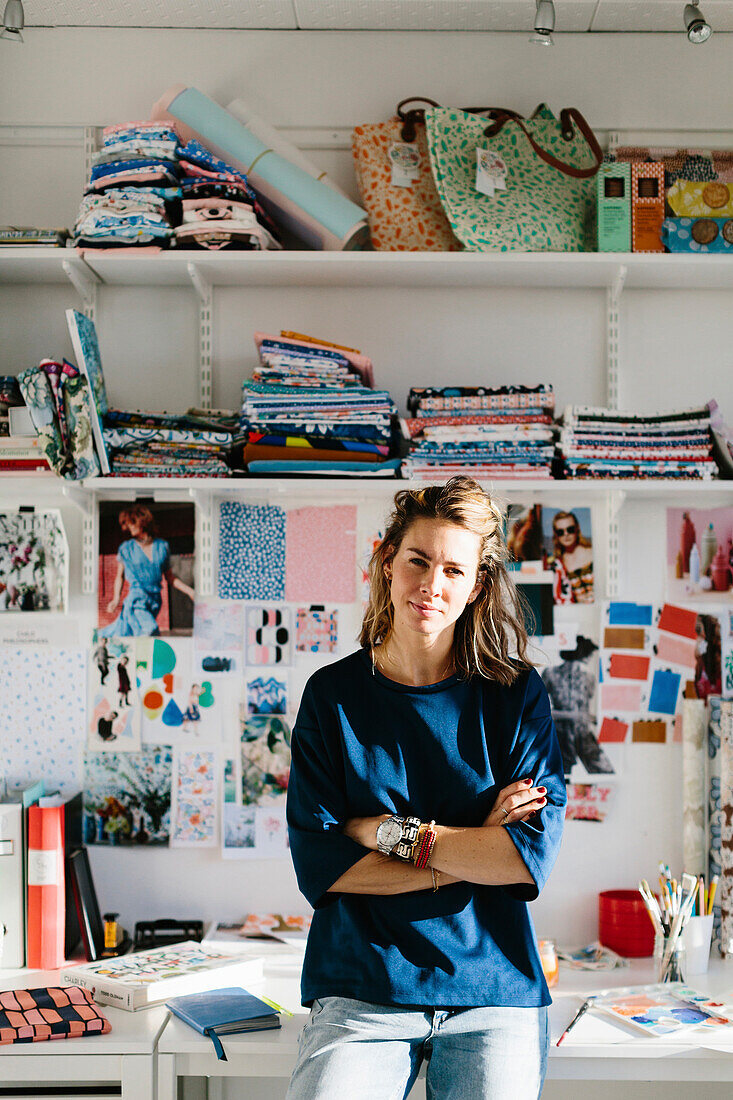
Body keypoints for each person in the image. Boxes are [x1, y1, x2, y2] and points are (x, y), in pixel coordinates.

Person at [286, 477, 566, 1100]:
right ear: (387, 559)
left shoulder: (516, 697)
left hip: (493, 989)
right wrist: (476, 846)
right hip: (363, 986)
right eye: (418, 560)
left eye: (453, 570)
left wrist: (384, 833)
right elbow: (322, 866)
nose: (431, 585)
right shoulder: (332, 697)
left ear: (477, 586)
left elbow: (524, 858)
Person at [100, 504, 194, 637]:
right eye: (127, 524)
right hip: (137, 600)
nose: (128, 527)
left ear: (142, 523)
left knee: (125, 633)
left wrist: (190, 591)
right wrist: (116, 599)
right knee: (150, 630)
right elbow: (119, 576)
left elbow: (170, 578)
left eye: (132, 523)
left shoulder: (162, 547)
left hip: (154, 601)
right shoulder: (127, 548)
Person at [548, 510, 593, 604]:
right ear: (556, 534)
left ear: (577, 529)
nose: (566, 534)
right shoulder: (557, 565)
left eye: (570, 529)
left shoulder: (593, 553)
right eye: (560, 532)